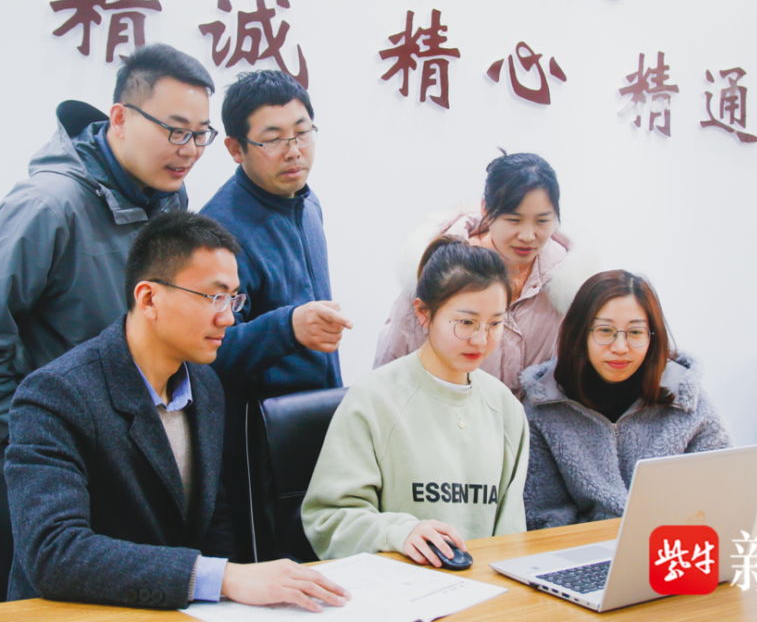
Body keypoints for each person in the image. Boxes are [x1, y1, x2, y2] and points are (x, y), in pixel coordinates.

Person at [5, 211, 350, 611]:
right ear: (149, 298)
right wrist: (223, 577)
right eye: (213, 297)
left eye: (233, 298)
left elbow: (212, 522)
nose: (228, 317)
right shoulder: (55, 395)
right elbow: (54, 554)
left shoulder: (204, 384)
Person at [0, 44, 219, 442]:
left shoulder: (169, 197)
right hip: (65, 457)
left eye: (200, 133)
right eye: (175, 130)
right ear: (120, 118)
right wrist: (40, 437)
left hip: (138, 443)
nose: (189, 149)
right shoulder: (47, 207)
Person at [302, 237, 529, 567]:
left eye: (495, 323)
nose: (481, 339)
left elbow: (511, 533)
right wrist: (399, 532)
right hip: (399, 596)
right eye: (465, 322)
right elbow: (328, 519)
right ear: (424, 313)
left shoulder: (507, 409)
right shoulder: (373, 400)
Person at [200, 69, 350, 559]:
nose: (293, 150)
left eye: (302, 132)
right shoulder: (218, 231)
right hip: (254, 443)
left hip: (319, 424)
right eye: (273, 139)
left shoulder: (308, 206)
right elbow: (211, 354)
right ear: (235, 149)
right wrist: (288, 326)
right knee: (273, 571)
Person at [520, 270, 732, 530]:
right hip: (581, 552)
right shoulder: (545, 406)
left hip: (670, 547)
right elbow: (543, 516)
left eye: (635, 332)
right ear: (579, 333)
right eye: (605, 330)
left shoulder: (687, 400)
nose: (620, 347)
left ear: (651, 337)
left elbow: (718, 497)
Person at [374, 151, 593, 396]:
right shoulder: (439, 272)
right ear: (486, 210)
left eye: (542, 221)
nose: (528, 236)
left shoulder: (569, 285)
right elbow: (389, 374)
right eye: (514, 220)